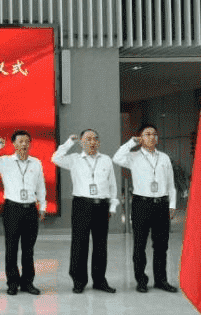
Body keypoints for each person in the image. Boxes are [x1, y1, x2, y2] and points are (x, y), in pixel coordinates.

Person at [52, 129, 118, 294]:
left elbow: (112, 184)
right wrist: (69, 142)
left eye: (95, 139)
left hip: (102, 206)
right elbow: (55, 158)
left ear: (99, 142)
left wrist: (112, 206)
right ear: (81, 142)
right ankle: (79, 281)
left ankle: (99, 281)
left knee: (100, 245)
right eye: (88, 139)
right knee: (79, 244)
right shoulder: (74, 159)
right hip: (82, 205)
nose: (92, 142)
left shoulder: (106, 160)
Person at [113, 124, 177, 293]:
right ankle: (141, 280)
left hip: (161, 204)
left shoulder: (164, 158)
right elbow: (116, 158)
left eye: (154, 134)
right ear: (140, 138)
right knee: (139, 245)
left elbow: (171, 184)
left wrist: (172, 204)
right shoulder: (133, 157)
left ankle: (161, 280)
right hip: (142, 204)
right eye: (147, 134)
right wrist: (131, 143)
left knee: (161, 246)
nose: (151, 137)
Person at [0, 130, 47, 295]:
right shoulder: (5, 162)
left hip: (30, 209)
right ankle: (12, 283)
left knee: (28, 249)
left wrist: (43, 206)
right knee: (11, 248)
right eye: (20, 141)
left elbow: (41, 185)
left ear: (30, 144)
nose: (24, 144)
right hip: (12, 209)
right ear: (14, 144)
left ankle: (27, 283)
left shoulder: (36, 163)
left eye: (27, 141)